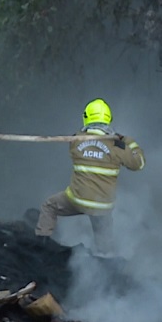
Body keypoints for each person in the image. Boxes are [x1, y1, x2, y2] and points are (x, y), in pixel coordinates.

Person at [34, 98, 145, 256]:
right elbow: (138, 164)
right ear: (108, 119)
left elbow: (79, 143)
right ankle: (106, 259)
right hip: (102, 206)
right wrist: (129, 142)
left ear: (86, 117)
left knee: (49, 206)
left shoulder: (75, 140)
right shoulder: (118, 146)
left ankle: (40, 246)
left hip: (77, 200)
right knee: (104, 238)